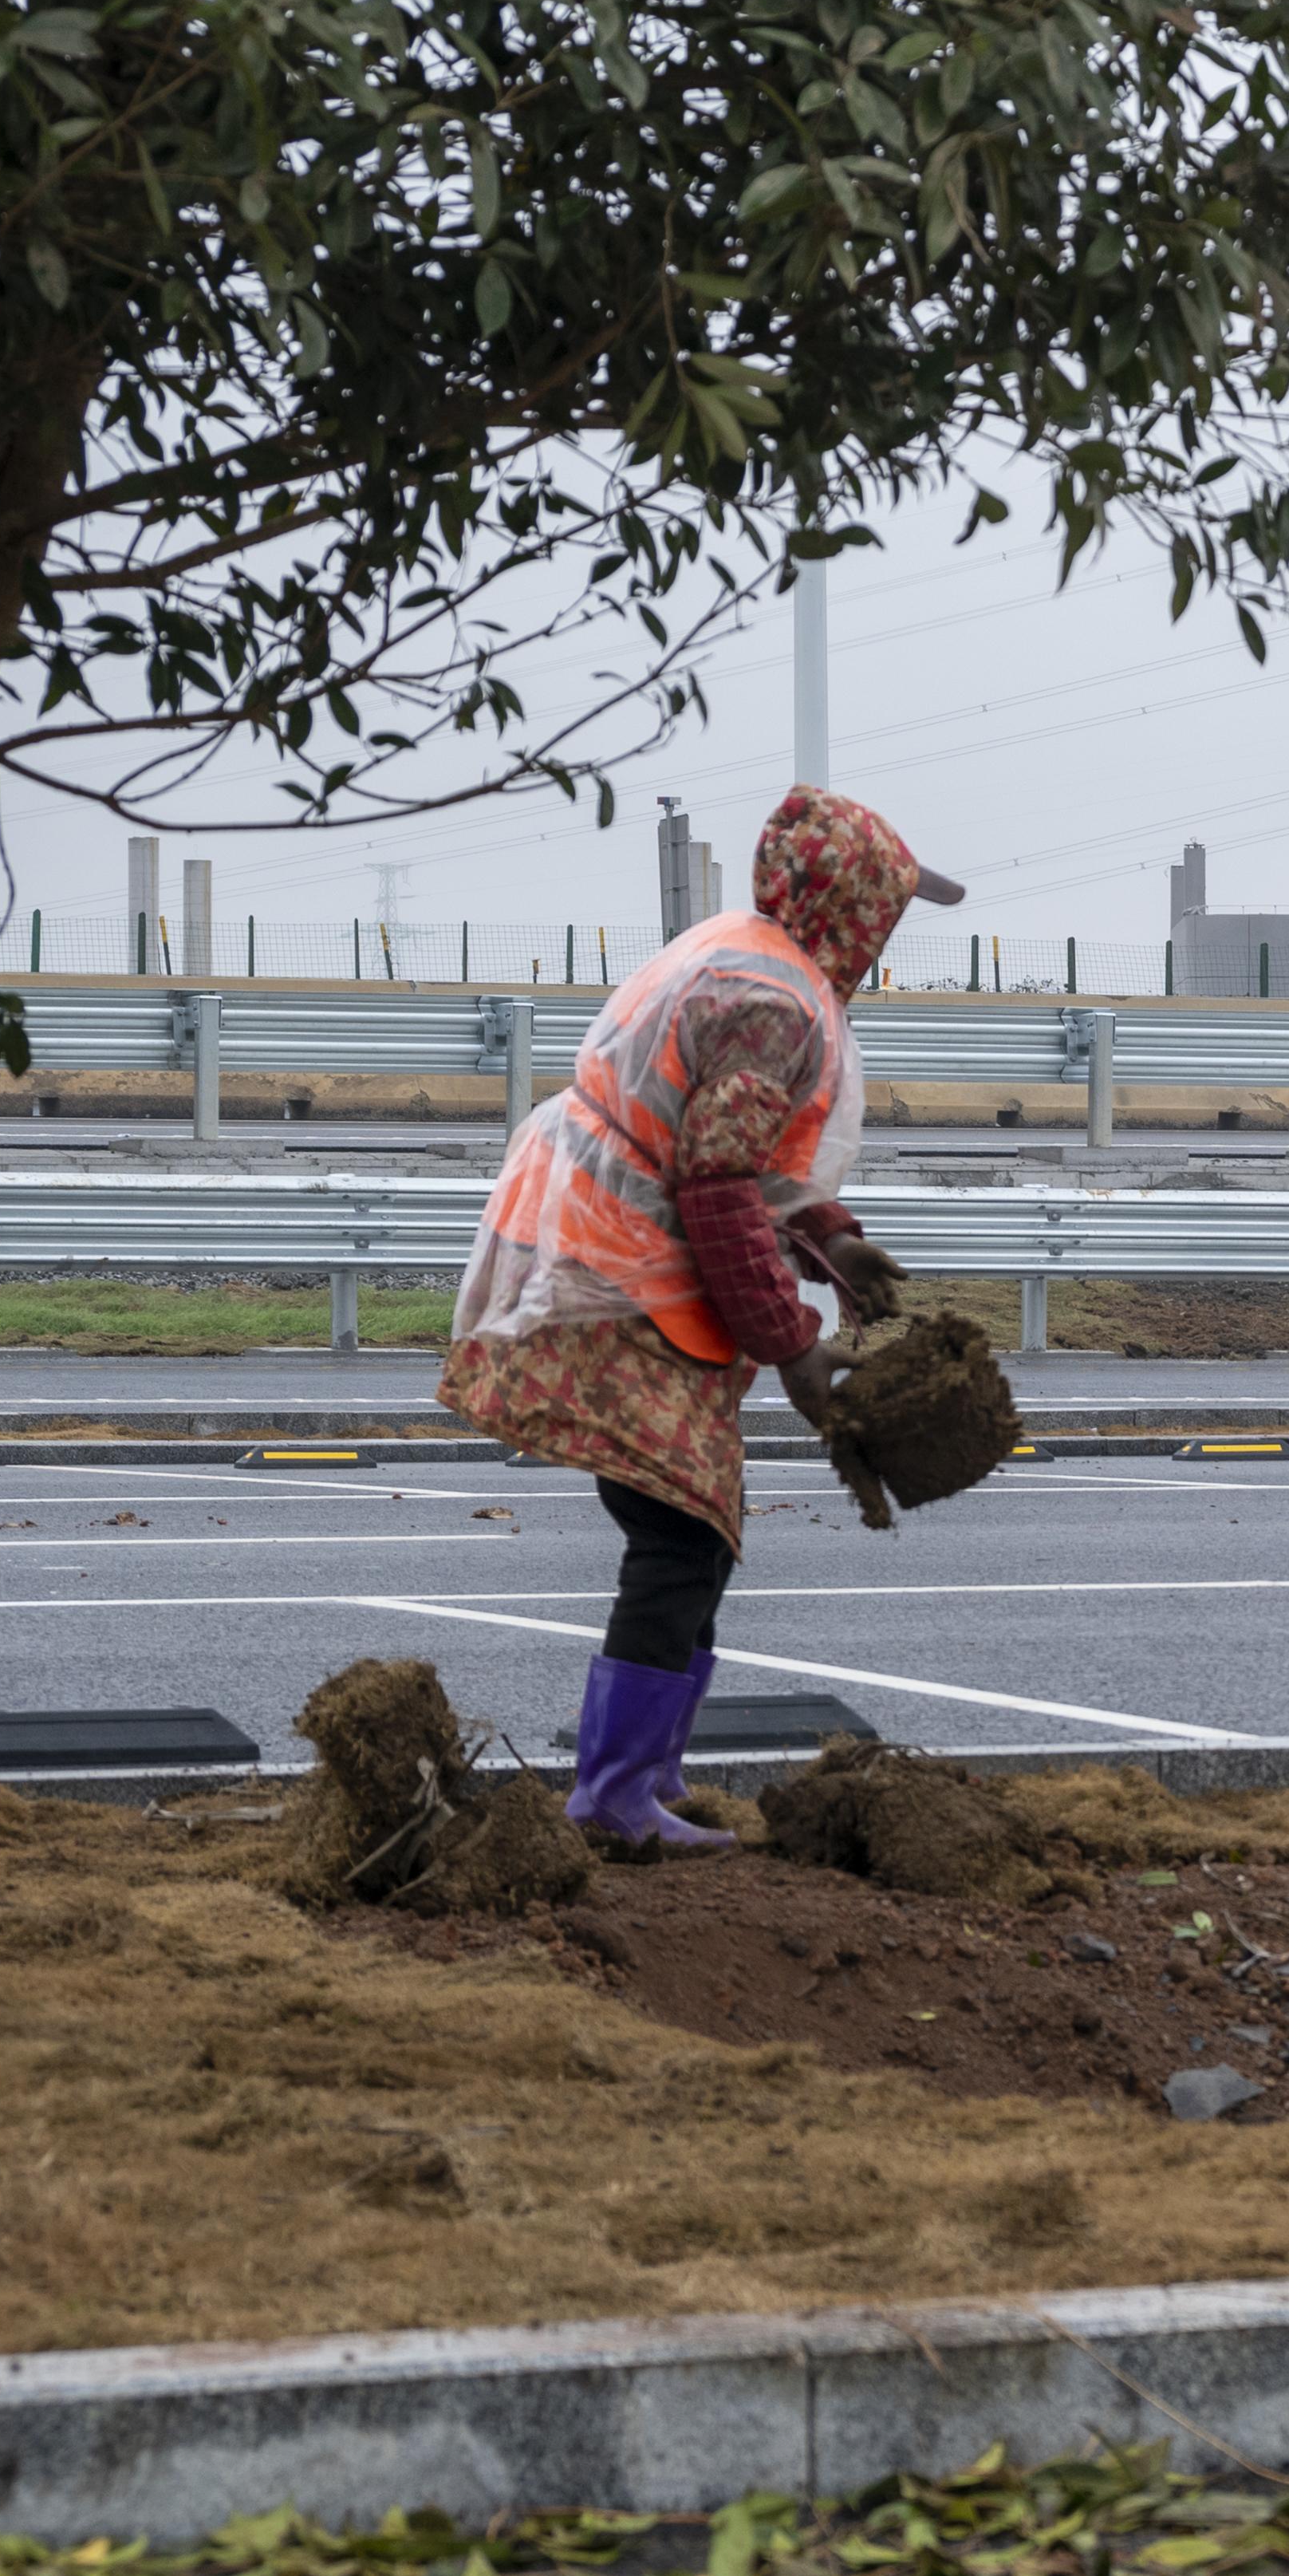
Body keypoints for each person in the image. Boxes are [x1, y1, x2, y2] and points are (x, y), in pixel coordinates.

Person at [440, 787, 956, 1851]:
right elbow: (716, 1186)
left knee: (698, 1532)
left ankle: (647, 1776)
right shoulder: (774, 1003)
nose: (887, 938)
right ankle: (615, 1796)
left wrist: (832, 1237)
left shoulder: (754, 957)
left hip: (613, 1250)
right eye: (887, 912)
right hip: (614, 1269)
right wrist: (794, 1342)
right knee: (678, 1532)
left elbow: (737, 1155)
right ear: (851, 907)